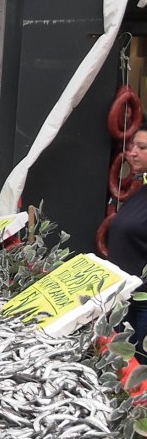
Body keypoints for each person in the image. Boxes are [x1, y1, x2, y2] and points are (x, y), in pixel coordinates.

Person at [109, 126, 147, 359]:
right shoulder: (141, 190)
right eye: (132, 146)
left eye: (141, 148)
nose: (131, 152)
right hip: (125, 298)